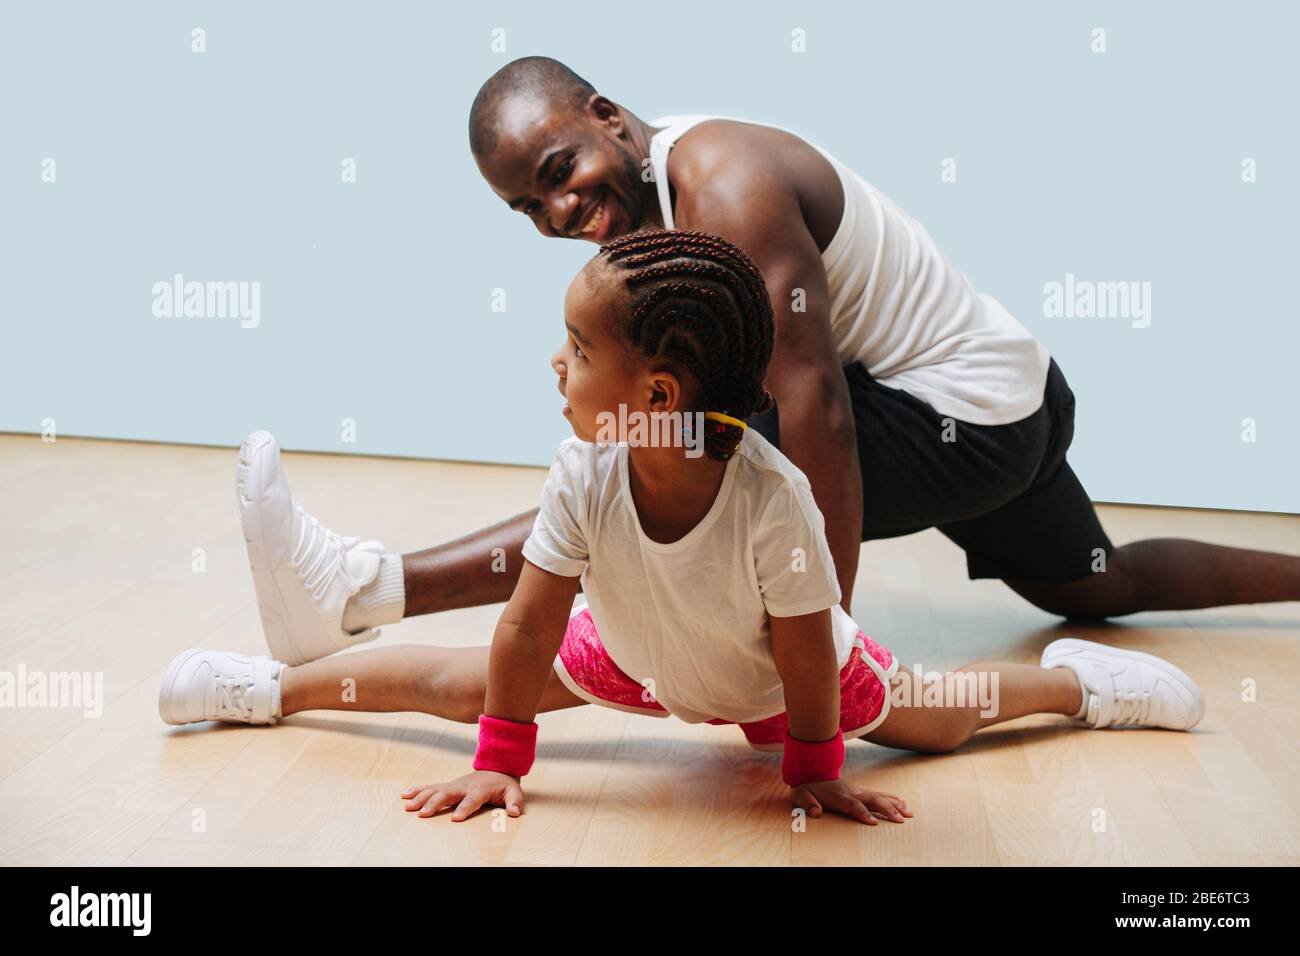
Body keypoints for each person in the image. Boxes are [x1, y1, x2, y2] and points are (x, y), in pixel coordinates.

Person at [233, 57, 1299, 672]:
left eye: (560, 169)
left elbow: (816, 411)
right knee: (1092, 584)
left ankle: (359, 590)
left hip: (962, 420)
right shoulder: (651, 212)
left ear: (608, 114)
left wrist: (819, 650)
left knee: (658, 456)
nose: (558, 211)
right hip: (1011, 397)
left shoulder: (725, 186)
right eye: (528, 205)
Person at [161, 230, 1206, 825]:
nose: (554, 363)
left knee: (941, 715)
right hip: (632, 651)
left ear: (656, 386)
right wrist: (500, 755)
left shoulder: (770, 499)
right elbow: (525, 629)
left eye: (574, 344)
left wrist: (809, 767)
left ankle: (1078, 684)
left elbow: (802, 652)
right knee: (460, 681)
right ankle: (270, 688)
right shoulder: (585, 469)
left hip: (768, 678)